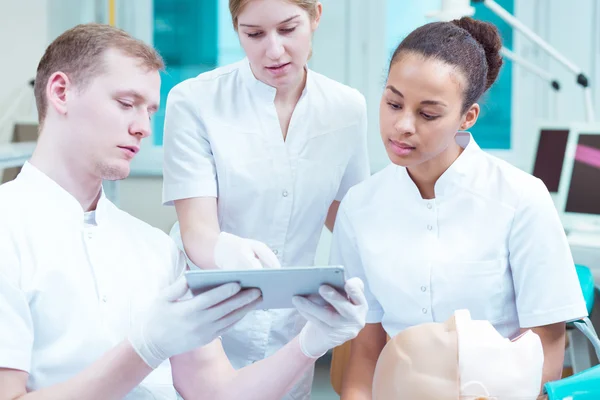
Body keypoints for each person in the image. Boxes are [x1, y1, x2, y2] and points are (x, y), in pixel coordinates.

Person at [0, 23, 368, 400]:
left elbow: (220, 394)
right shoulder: (7, 230)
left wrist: (310, 343)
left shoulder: (155, 250)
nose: (143, 127)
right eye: (127, 104)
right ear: (61, 92)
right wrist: (146, 348)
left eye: (149, 111)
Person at [331, 17, 588, 398]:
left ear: (467, 117)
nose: (402, 124)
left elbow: (546, 347)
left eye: (428, 113)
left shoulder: (520, 198)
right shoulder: (359, 207)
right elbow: (365, 352)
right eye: (393, 102)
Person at [162, 0, 370, 398]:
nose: (272, 50)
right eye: (253, 34)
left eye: (288, 29)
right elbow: (197, 231)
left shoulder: (346, 108)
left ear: (316, 17)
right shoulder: (195, 101)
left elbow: (345, 216)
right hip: (207, 326)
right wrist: (226, 250)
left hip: (291, 331)